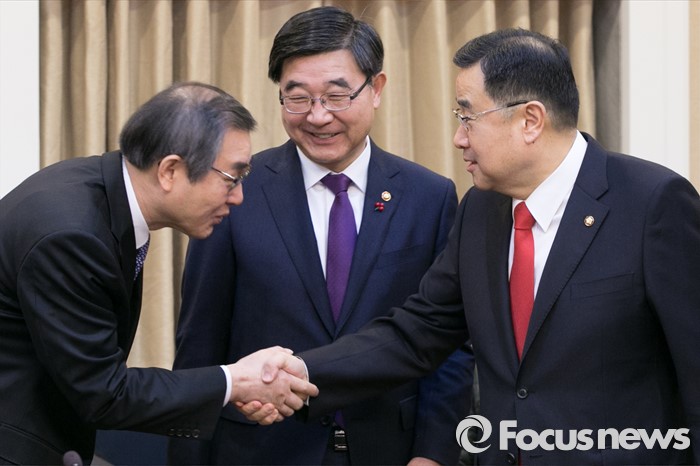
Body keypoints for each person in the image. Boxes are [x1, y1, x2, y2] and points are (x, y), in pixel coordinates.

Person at [247, 28, 700, 465]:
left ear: (530, 120)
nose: (458, 138)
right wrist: (302, 371)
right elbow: (417, 332)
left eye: (467, 117)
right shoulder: (481, 210)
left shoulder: (651, 204)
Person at [168, 6, 474, 466]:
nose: (317, 116)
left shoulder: (429, 196)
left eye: (336, 96)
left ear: (376, 89)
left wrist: (433, 455)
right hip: (260, 452)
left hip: (390, 452)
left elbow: (447, 344)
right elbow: (199, 348)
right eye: (297, 98)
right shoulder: (235, 192)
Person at [0, 82, 317, 466]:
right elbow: (104, 393)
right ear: (170, 170)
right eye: (231, 179)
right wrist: (234, 382)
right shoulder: (71, 235)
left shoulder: (100, 197)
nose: (238, 197)